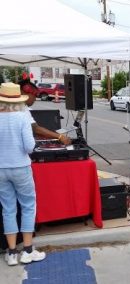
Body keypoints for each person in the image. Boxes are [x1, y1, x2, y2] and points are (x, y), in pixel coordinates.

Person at [0, 82, 46, 266]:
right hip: (21, 167)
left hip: (0, 169)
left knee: (8, 209)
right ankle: (27, 250)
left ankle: (11, 253)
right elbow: (29, 146)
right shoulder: (22, 118)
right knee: (27, 206)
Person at [19, 79, 71, 145]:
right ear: (25, 93)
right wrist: (60, 136)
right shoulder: (20, 108)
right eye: (34, 95)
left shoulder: (22, 107)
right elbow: (35, 128)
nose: (35, 99)